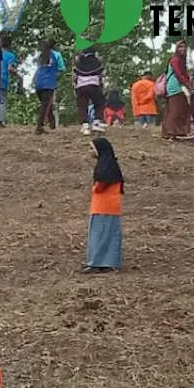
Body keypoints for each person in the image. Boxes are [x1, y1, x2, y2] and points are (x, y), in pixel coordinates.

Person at [83, 137, 123, 274]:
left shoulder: (105, 166)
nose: (90, 151)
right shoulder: (112, 164)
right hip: (112, 207)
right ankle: (110, 262)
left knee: (98, 235)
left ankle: (95, 262)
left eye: (91, 148)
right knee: (110, 235)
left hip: (102, 206)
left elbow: (101, 184)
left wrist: (94, 188)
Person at [160, 40, 194, 140]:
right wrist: (187, 84)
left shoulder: (182, 60)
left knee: (180, 109)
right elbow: (179, 74)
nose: (183, 49)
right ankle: (171, 133)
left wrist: (189, 82)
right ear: (176, 49)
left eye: (184, 47)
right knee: (175, 111)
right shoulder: (175, 60)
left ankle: (175, 132)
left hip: (180, 86)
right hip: (175, 87)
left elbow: (185, 74)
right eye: (180, 47)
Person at [73, 47, 107, 135]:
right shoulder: (96, 62)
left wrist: (75, 86)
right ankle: (96, 122)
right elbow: (102, 74)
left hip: (81, 87)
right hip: (93, 86)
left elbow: (75, 75)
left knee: (82, 106)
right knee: (99, 103)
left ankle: (85, 126)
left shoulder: (78, 62)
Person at [33, 41, 65, 134]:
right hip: (49, 83)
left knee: (45, 103)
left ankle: (51, 121)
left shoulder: (40, 56)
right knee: (45, 105)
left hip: (38, 83)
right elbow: (62, 69)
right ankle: (39, 126)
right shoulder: (56, 55)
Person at [0, 36, 18, 127]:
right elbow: (10, 68)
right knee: (3, 101)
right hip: (3, 79)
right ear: (10, 45)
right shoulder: (11, 56)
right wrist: (16, 73)